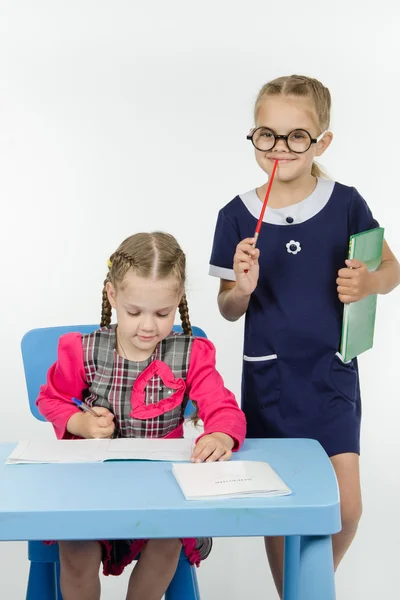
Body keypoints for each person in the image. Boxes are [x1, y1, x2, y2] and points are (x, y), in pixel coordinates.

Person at [209, 74, 400, 597]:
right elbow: (227, 309)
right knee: (283, 504)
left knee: (347, 506)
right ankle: (295, 592)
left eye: (297, 136)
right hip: (270, 380)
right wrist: (242, 288)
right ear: (254, 137)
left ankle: (306, 586)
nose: (279, 148)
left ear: (322, 142)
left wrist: (369, 282)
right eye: (266, 135)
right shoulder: (236, 216)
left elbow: (391, 267)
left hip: (332, 374)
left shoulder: (346, 204)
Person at [37, 231, 246, 600]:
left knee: (167, 542)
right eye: (134, 312)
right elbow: (50, 399)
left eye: (162, 313)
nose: (148, 326)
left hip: (159, 490)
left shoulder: (190, 355)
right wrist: (81, 423)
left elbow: (223, 407)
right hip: (92, 489)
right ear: (113, 296)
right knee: (75, 549)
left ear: (178, 300)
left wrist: (220, 435)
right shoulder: (83, 351)